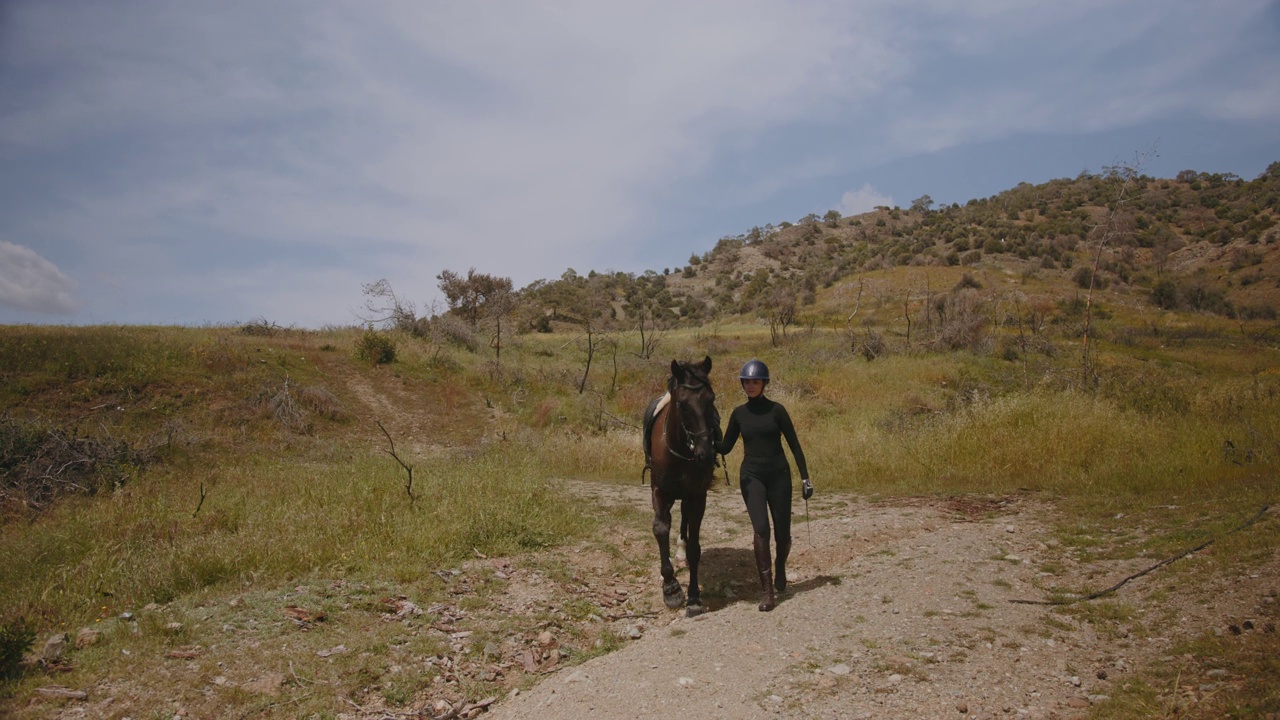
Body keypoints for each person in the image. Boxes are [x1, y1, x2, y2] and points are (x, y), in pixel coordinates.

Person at [714, 359, 813, 611]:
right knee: (761, 530)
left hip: (778, 475)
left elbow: (794, 444)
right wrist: (706, 436)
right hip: (752, 476)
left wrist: (805, 478)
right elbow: (725, 447)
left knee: (783, 534)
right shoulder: (738, 414)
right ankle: (767, 591)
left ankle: (780, 565)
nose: (751, 386)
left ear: (764, 383)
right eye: (746, 382)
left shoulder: (777, 411)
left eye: (755, 382)